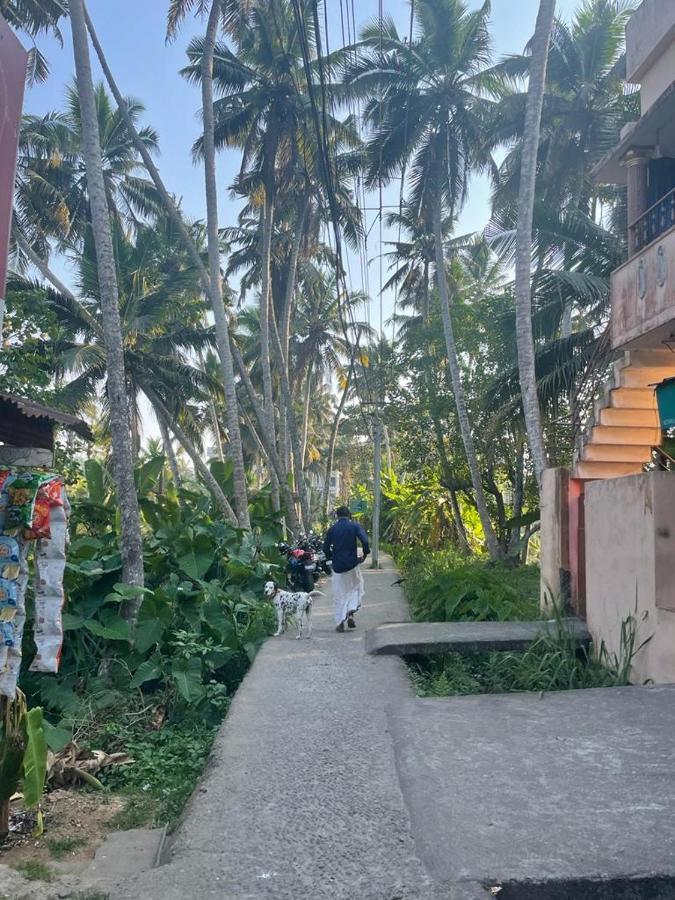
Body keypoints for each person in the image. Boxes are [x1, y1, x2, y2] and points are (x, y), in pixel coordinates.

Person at [323, 506, 370, 633]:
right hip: (352, 565)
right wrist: (365, 553)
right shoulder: (354, 527)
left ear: (337, 516)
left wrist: (331, 558)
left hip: (338, 567)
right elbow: (365, 541)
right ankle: (350, 611)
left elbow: (325, 548)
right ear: (349, 515)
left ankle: (340, 622)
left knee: (339, 594)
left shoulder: (332, 529)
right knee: (355, 588)